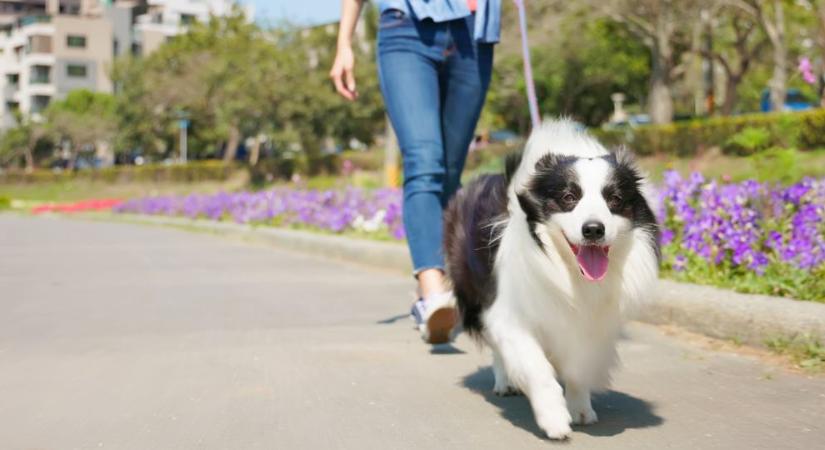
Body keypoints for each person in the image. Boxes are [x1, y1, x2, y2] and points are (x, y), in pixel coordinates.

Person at [331, 0, 501, 344]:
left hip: (474, 33)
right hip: (407, 28)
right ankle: (434, 292)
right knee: (425, 161)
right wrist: (344, 43)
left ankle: (438, 288)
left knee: (450, 172)